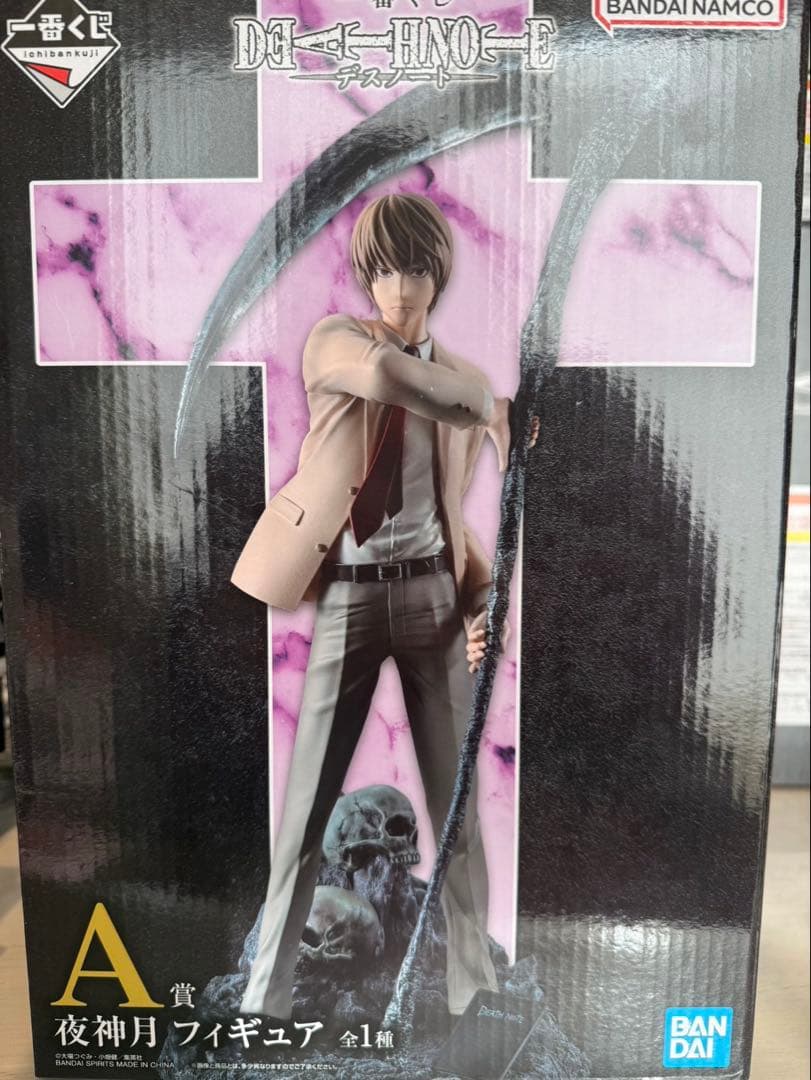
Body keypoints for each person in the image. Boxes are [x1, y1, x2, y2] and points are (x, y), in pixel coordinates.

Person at [232, 193, 511, 1019]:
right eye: (382, 270)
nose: (397, 287)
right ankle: (265, 998)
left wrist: (480, 599)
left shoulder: (456, 381)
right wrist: (489, 405)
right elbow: (391, 378)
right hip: (349, 598)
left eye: (414, 269)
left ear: (438, 275)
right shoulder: (338, 342)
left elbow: (448, 514)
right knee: (305, 815)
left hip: (431, 597)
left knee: (457, 814)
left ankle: (474, 989)